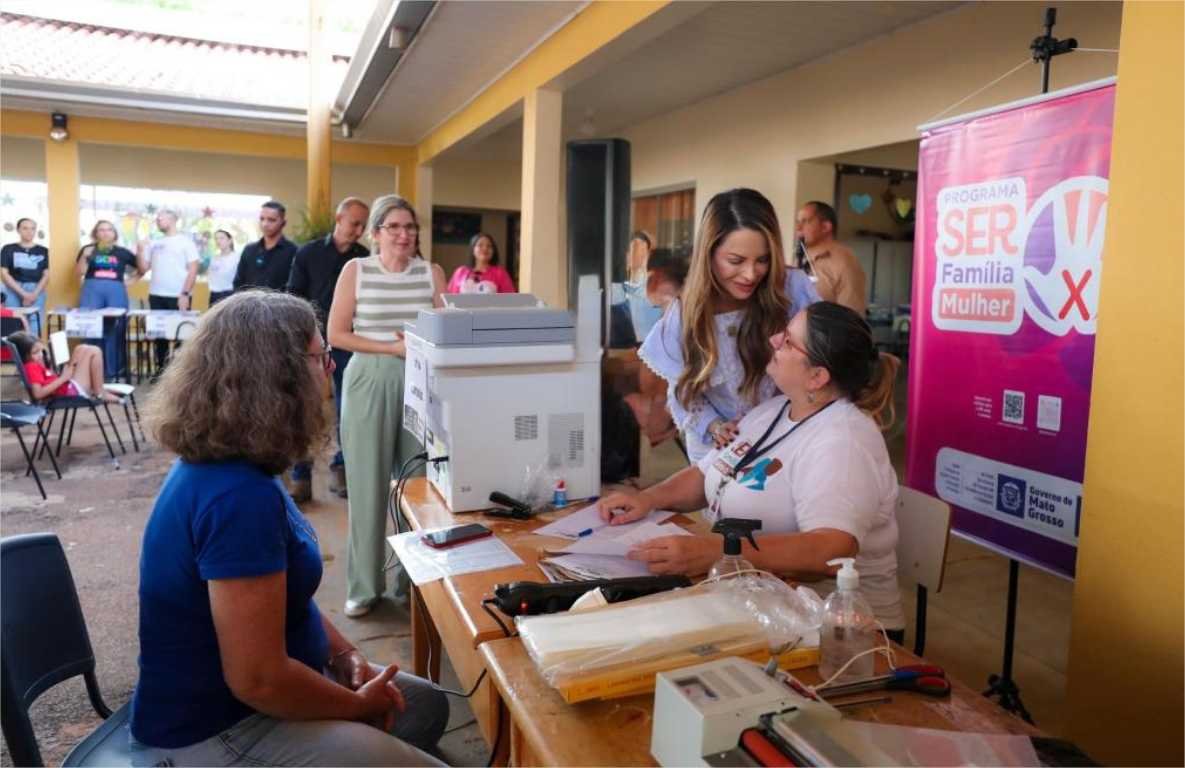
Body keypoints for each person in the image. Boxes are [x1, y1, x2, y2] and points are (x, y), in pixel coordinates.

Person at [129, 291, 448, 767]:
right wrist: (356, 706)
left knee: (425, 706)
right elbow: (258, 680)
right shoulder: (236, 497)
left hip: (270, 690)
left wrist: (345, 656)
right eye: (322, 357)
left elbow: (282, 597)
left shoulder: (245, 464)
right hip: (222, 728)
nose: (331, 367)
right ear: (276, 377)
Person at [599, 301, 906, 635]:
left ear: (817, 377)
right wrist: (648, 499)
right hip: (761, 600)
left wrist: (718, 553)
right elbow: (708, 472)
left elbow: (830, 550)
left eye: (788, 341)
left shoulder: (842, 441)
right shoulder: (775, 410)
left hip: (841, 633)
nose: (774, 339)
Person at [328, 195, 446, 618]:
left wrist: (415, 344)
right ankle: (364, 586)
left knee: (417, 484)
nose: (403, 234)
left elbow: (444, 329)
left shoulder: (431, 273)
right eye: (394, 227)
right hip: (368, 379)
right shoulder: (356, 270)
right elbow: (337, 334)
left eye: (410, 227)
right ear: (376, 233)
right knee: (367, 485)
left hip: (420, 381)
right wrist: (391, 346)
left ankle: (410, 581)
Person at [639, 188, 819, 462]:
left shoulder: (792, 288)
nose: (750, 274)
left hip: (785, 436)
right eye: (735, 261)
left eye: (763, 260)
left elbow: (821, 360)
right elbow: (683, 390)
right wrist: (712, 425)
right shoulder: (685, 313)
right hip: (717, 446)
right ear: (708, 254)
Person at [287, 197, 371, 502]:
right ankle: (301, 476)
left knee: (348, 408)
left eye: (363, 224)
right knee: (304, 406)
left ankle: (342, 467)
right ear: (339, 218)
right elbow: (294, 295)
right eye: (354, 223)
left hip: (348, 343)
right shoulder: (308, 253)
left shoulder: (365, 260)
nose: (359, 230)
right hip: (310, 343)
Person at [77, 220, 145, 380]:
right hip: (92, 290)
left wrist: (130, 281)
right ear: (95, 234)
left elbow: (141, 269)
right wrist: (84, 257)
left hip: (115, 292)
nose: (105, 233)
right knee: (90, 328)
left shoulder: (122, 252)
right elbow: (79, 272)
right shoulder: (88, 250)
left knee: (116, 329)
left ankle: (113, 371)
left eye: (109, 230)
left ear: (114, 234)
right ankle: (89, 370)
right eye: (101, 230)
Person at [143, 209, 200, 371]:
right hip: (156, 295)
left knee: (181, 336)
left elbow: (193, 269)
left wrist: (185, 294)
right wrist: (141, 250)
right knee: (159, 336)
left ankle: (179, 374)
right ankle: (161, 370)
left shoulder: (186, 242)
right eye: (157, 217)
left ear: (173, 219)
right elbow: (144, 267)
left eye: (161, 217)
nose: (158, 220)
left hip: (178, 296)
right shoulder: (154, 243)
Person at [794, 201, 868, 315]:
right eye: (797, 222)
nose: (798, 227)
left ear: (825, 227)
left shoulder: (845, 263)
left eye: (805, 221)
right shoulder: (801, 257)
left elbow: (852, 318)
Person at [8, 330, 121, 404]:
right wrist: (63, 378)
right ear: (24, 355)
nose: (40, 355)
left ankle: (97, 388)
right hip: (71, 392)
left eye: (40, 351)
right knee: (94, 351)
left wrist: (62, 375)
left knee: (80, 348)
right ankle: (99, 392)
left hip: (68, 387)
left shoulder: (36, 364)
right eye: (35, 352)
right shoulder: (31, 367)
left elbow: (48, 380)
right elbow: (38, 394)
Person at [234, 200, 298, 292]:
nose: (265, 224)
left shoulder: (293, 251)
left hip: (280, 305)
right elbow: (238, 283)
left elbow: (295, 287)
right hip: (250, 304)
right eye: (262, 219)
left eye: (271, 220)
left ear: (283, 222)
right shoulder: (249, 250)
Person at [1, 217, 49, 336]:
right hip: (13, 288)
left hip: (36, 288)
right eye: (25, 228)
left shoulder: (44, 251)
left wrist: (34, 294)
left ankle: (32, 352)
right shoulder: (8, 249)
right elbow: (4, 273)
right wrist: (23, 293)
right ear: (18, 230)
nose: (29, 231)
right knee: (13, 322)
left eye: (32, 229)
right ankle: (15, 353)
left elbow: (46, 274)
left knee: (34, 323)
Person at [445, 232, 515, 294]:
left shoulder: (500, 273)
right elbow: (450, 298)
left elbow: (510, 299)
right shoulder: (461, 272)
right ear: (473, 249)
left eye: (489, 246)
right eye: (480, 245)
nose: (485, 248)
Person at [207, 229, 240, 306]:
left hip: (229, 295)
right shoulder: (214, 258)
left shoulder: (237, 257)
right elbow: (210, 275)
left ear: (230, 240)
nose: (218, 241)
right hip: (214, 295)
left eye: (221, 238)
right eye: (216, 238)